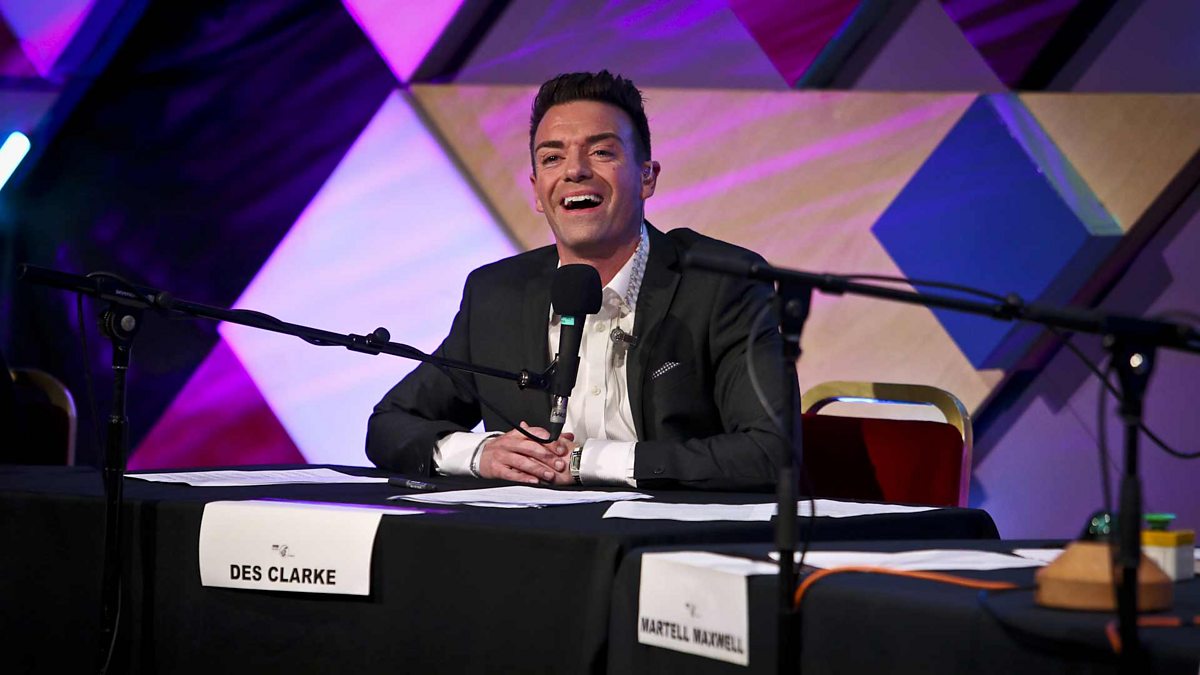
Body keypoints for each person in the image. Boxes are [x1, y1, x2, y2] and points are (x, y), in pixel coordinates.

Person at [366, 71, 793, 491]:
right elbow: (390, 425)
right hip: (531, 530)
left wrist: (588, 460)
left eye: (602, 152)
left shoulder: (721, 284)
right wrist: (482, 453)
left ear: (647, 177)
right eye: (552, 158)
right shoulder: (496, 294)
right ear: (537, 190)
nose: (574, 171)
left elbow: (770, 451)